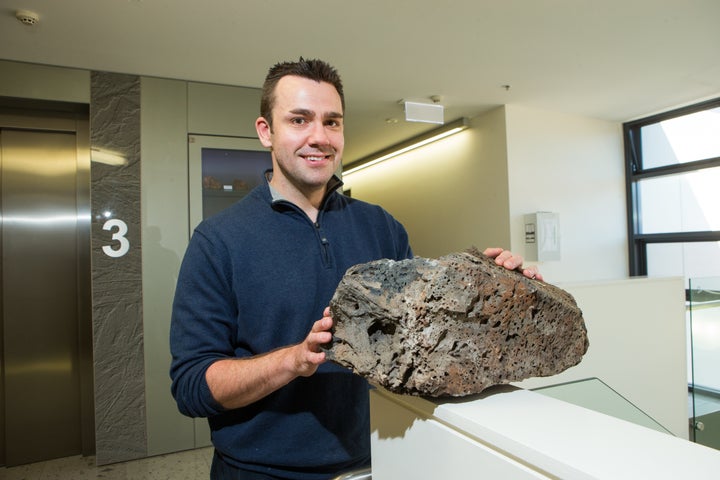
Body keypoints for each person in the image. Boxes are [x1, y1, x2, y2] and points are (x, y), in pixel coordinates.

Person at [169, 58, 541, 480]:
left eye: (332, 122)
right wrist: (292, 361)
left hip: (379, 461)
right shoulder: (218, 241)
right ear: (265, 131)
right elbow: (192, 386)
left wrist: (488, 290)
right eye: (299, 120)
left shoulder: (381, 226)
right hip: (261, 472)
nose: (319, 137)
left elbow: (420, 342)